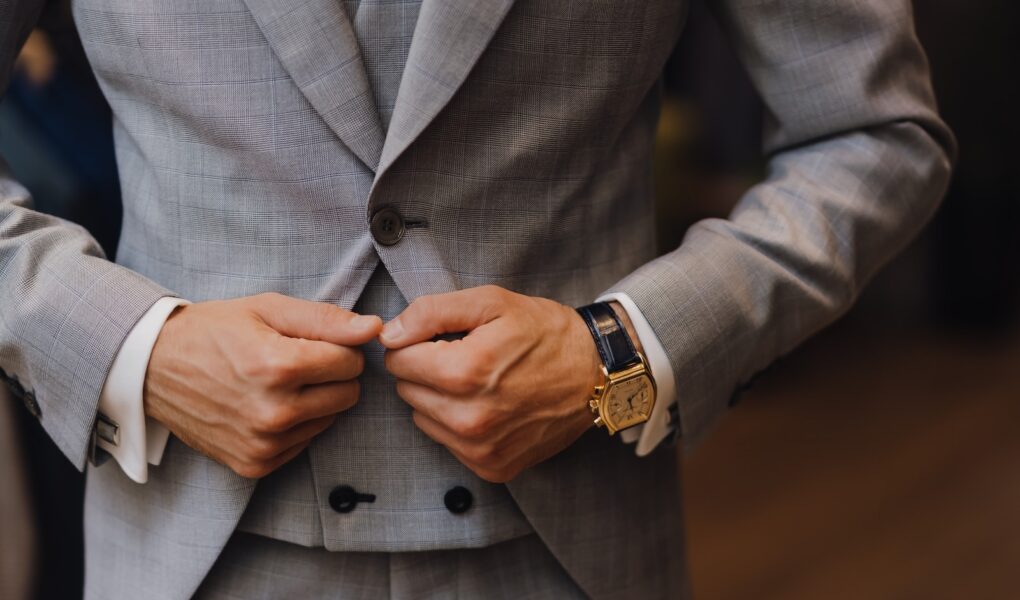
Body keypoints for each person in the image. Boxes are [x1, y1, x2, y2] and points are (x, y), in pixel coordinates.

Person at [0, 1, 954, 598]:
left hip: (568, 548)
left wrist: (618, 357)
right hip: (191, 553)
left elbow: (876, 137)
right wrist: (138, 351)